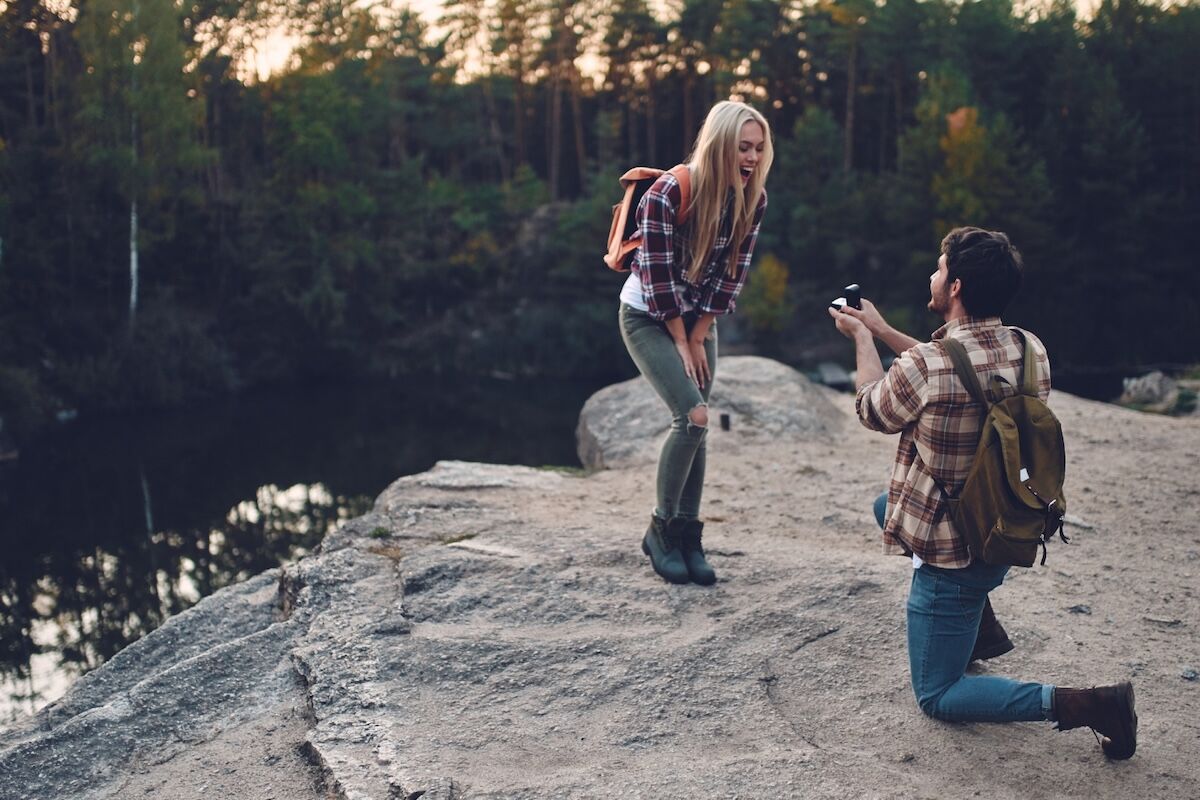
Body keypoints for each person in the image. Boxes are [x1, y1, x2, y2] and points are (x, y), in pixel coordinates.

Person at [829, 227, 1137, 758]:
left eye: (939, 267)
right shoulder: (1028, 348)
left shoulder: (927, 366)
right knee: (888, 508)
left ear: (956, 287)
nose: (933, 274)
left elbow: (873, 406)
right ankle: (979, 630)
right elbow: (951, 368)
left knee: (939, 694)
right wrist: (881, 329)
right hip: (1006, 525)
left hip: (954, 558)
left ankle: (1091, 705)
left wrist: (861, 340)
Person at [618, 100, 772, 586]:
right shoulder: (668, 192)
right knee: (694, 415)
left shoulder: (754, 198)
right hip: (648, 315)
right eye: (742, 147)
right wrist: (681, 341)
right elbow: (658, 278)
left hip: (699, 319)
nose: (750, 158)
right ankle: (662, 529)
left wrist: (701, 333)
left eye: (758, 148)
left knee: (697, 424)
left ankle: (687, 534)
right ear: (720, 145)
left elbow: (732, 276)